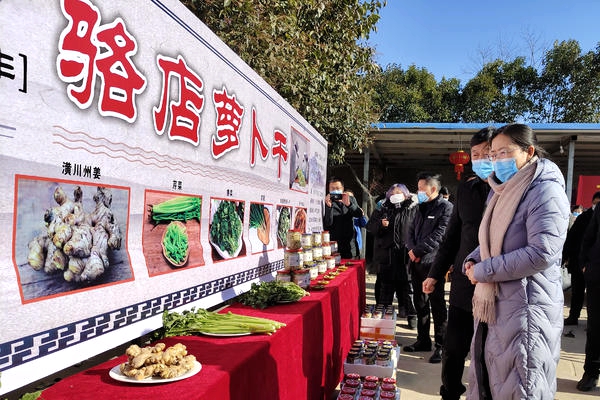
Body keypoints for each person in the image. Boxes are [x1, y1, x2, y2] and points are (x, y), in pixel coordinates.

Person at [463, 123, 570, 399]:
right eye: (494, 154)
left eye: (504, 152)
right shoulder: (503, 190)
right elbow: (493, 237)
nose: (497, 160)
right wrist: (473, 258)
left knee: (521, 383)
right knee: (493, 381)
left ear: (528, 151)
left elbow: (541, 253)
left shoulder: (544, 190)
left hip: (527, 309)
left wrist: (484, 270)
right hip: (498, 306)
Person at [422, 127, 493, 397]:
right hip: (464, 288)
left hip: (495, 288)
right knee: (453, 350)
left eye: (488, 153)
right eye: (477, 154)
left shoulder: (510, 192)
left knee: (487, 356)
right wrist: (435, 273)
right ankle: (449, 392)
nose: (482, 159)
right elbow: (451, 238)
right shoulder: (467, 189)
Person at [404, 172, 453, 364]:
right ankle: (423, 340)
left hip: (433, 264)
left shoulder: (446, 208)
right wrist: (411, 249)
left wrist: (417, 250)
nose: (419, 192)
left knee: (438, 305)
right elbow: (410, 231)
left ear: (433, 189)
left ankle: (441, 345)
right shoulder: (419, 207)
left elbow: (440, 235)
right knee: (420, 303)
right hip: (415, 263)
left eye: (421, 189)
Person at [366, 184, 417, 328]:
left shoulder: (412, 209)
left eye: (399, 192)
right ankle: (383, 323)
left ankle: (412, 317)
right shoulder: (383, 208)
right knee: (385, 290)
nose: (396, 194)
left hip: (406, 256)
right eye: (393, 192)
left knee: (408, 289)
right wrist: (381, 226)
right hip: (387, 256)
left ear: (406, 194)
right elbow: (370, 227)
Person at [563, 191, 600, 326]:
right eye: (595, 203)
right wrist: (565, 257)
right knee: (577, 292)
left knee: (593, 297)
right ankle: (573, 317)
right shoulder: (583, 218)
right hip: (579, 261)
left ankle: (593, 322)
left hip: (594, 265)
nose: (597, 206)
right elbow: (572, 239)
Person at [578, 202, 600, 391]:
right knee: (595, 328)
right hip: (598, 277)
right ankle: (591, 372)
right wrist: (585, 264)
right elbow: (588, 237)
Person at [323, 177, 364, 259]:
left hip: (350, 245)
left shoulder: (350, 199)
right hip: (334, 246)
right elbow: (328, 223)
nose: (335, 190)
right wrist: (329, 207)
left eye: (337, 188)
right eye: (332, 188)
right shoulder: (327, 202)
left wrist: (349, 204)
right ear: (329, 189)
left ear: (342, 189)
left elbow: (359, 214)